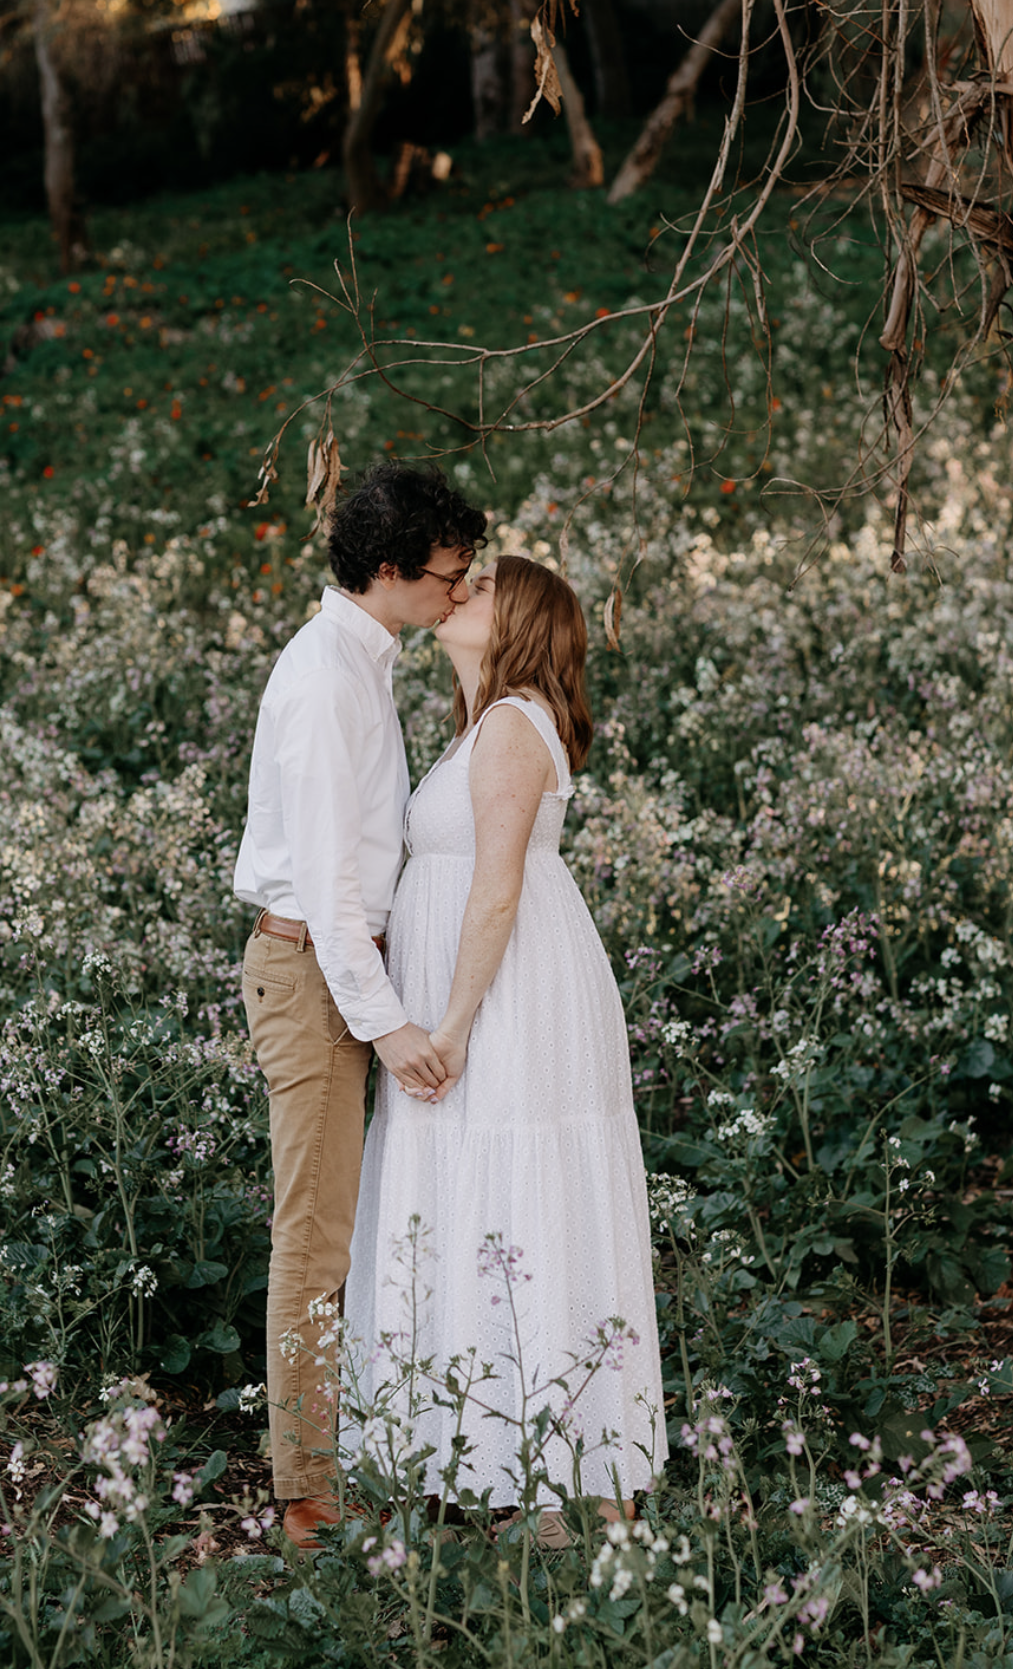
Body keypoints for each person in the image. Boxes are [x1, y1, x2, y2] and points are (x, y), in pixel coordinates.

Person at [347, 556, 669, 1534]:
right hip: (479, 987)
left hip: (507, 999)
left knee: (522, 1204)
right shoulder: (480, 726)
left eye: (482, 587)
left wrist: (446, 1026)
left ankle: (559, 1482)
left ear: (520, 621)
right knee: (467, 1204)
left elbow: (495, 891)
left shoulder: (511, 724)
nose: (459, 592)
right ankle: (483, 1456)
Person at [234, 462, 487, 1549]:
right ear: (390, 571)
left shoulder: (361, 658)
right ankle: (305, 1486)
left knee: (343, 1225)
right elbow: (334, 886)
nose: (460, 594)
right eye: (449, 575)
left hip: (339, 969)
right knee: (317, 1234)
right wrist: (385, 1022)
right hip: (314, 977)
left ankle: (353, 1443)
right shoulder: (331, 678)